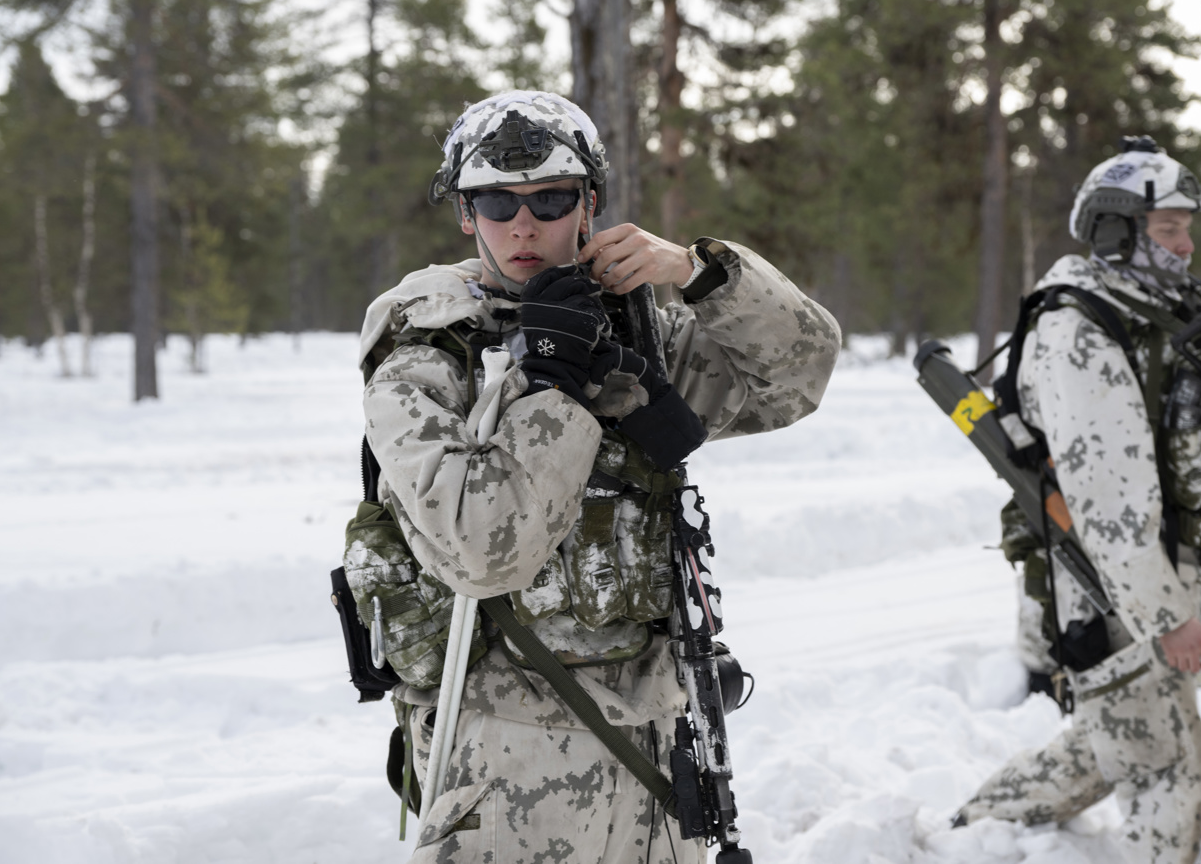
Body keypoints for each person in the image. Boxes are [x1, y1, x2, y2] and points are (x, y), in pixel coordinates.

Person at [356, 90, 841, 864]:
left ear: (588, 204)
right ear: (464, 214)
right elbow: (485, 552)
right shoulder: (428, 351)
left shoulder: (639, 324)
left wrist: (697, 274)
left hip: (651, 752)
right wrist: (554, 388)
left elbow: (799, 375)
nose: (523, 225)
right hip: (505, 762)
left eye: (549, 198)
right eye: (495, 202)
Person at [954, 137, 1201, 864]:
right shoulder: (1080, 330)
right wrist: (1168, 617)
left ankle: (966, 835)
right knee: (1170, 772)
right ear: (1115, 231)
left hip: (1137, 582)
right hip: (1104, 590)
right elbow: (1109, 504)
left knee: (1112, 740)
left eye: (1188, 227)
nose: (1186, 246)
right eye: (1169, 229)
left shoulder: (1142, 311)